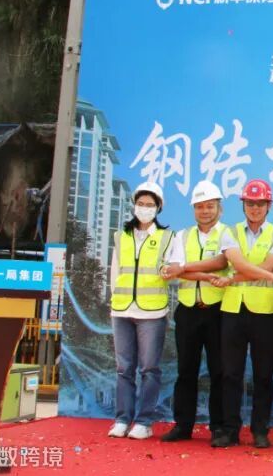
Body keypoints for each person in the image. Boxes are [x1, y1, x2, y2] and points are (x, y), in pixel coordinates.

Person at [171, 179, 273, 448]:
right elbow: (239, 263)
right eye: (250, 203)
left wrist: (234, 278)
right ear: (243, 205)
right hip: (232, 310)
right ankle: (230, 430)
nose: (255, 208)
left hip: (263, 311)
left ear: (269, 205)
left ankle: (260, 430)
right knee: (230, 373)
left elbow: (267, 266)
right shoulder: (230, 232)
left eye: (260, 203)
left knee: (263, 374)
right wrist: (260, 275)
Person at [157, 180, 229, 444]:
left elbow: (221, 262)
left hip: (218, 310)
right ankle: (183, 425)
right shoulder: (182, 236)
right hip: (187, 310)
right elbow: (173, 270)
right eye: (199, 206)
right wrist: (201, 273)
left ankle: (218, 427)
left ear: (219, 208)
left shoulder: (227, 234)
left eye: (210, 206)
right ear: (193, 209)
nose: (205, 211)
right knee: (186, 370)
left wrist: (186, 267)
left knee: (219, 371)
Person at [107, 181, 174, 441]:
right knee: (124, 368)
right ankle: (122, 419)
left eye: (150, 204)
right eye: (140, 204)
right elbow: (115, 271)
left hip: (152, 313)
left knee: (149, 369)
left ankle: (144, 421)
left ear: (158, 208)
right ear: (134, 205)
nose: (144, 208)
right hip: (122, 310)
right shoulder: (120, 236)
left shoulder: (167, 237)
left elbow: (173, 270)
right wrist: (115, 302)